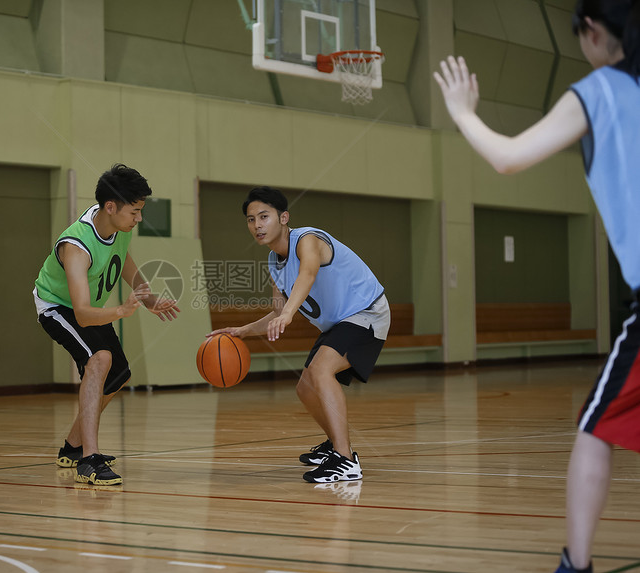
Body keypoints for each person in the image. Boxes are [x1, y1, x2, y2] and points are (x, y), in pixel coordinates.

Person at [433, 1, 640, 571]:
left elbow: (508, 157)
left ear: (593, 31)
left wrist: (462, 112)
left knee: (595, 429)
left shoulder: (600, 90)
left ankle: (576, 563)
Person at [209, 186, 390, 483]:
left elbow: (308, 274)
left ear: (284, 217)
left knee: (321, 371)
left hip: (367, 313)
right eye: (251, 220)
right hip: (342, 324)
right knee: (305, 388)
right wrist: (242, 332)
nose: (257, 225)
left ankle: (346, 460)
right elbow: (277, 312)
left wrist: (289, 313)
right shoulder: (273, 262)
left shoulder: (307, 239)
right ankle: (335, 444)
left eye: (264, 216)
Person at [33, 163, 180, 486]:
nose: (139, 218)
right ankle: (89, 459)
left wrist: (148, 297)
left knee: (118, 374)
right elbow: (83, 314)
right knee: (99, 359)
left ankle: (72, 447)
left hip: (86, 308)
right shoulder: (76, 245)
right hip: (58, 307)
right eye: (135, 211)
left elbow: (123, 258)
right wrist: (121, 310)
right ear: (111, 207)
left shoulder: (115, 225)